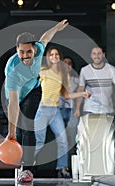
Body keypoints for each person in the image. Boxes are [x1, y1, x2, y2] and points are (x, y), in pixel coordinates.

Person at [4, 19, 69, 183]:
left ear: (35, 49)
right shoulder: (12, 70)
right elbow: (13, 103)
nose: (25, 56)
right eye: (21, 52)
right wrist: (11, 132)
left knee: (28, 126)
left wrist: (57, 28)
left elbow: (46, 36)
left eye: (29, 52)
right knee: (19, 131)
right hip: (17, 96)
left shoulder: (40, 49)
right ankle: (21, 166)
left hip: (34, 90)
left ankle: (28, 170)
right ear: (17, 50)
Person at [34, 46, 90, 178]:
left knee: (63, 141)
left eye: (57, 54)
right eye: (52, 54)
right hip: (42, 109)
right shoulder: (43, 71)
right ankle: (26, 165)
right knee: (39, 141)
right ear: (48, 57)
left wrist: (82, 93)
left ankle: (62, 168)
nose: (54, 56)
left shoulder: (62, 75)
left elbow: (65, 95)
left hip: (55, 110)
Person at [74, 46, 115, 178]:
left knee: (109, 142)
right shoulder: (85, 70)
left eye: (99, 53)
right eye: (94, 54)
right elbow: (80, 89)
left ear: (103, 55)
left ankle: (110, 171)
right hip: (90, 111)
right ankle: (87, 171)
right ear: (91, 55)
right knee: (87, 141)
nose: (96, 56)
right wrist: (77, 109)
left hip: (107, 111)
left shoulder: (110, 69)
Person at [58, 56, 80, 164]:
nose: (67, 65)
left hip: (73, 111)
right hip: (59, 111)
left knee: (74, 139)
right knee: (62, 141)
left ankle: (75, 165)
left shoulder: (77, 80)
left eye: (69, 63)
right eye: (64, 63)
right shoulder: (56, 78)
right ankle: (62, 168)